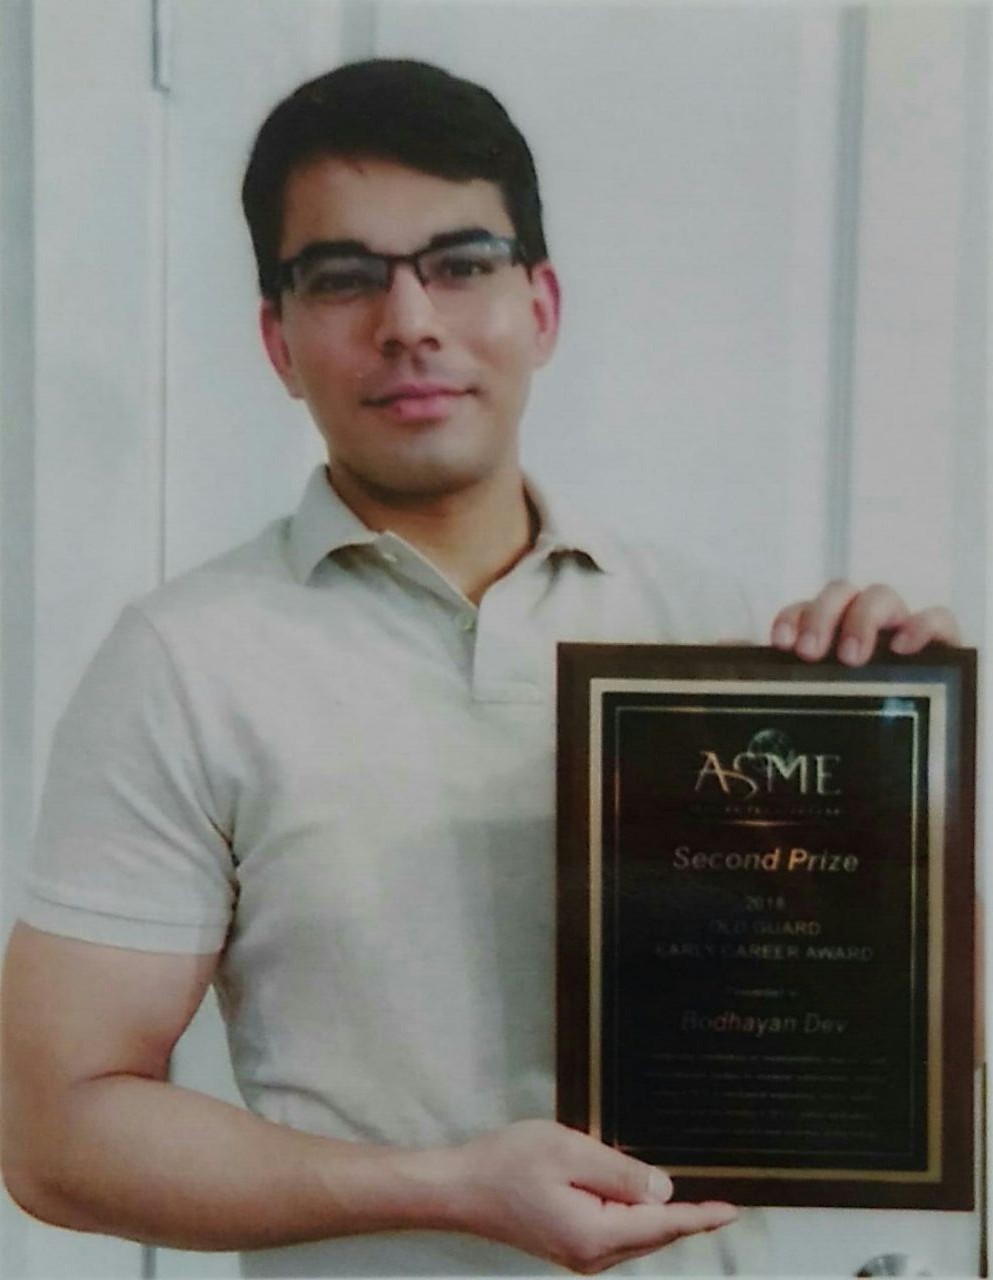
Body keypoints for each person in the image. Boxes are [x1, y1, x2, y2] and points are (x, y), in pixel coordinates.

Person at [0, 60, 960, 1278]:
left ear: (541, 305)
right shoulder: (184, 663)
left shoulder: (717, 638)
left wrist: (910, 749)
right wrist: (446, 1187)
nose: (410, 321)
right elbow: (55, 1132)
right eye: (343, 277)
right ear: (277, 340)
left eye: (460, 263)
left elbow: (914, 1047)